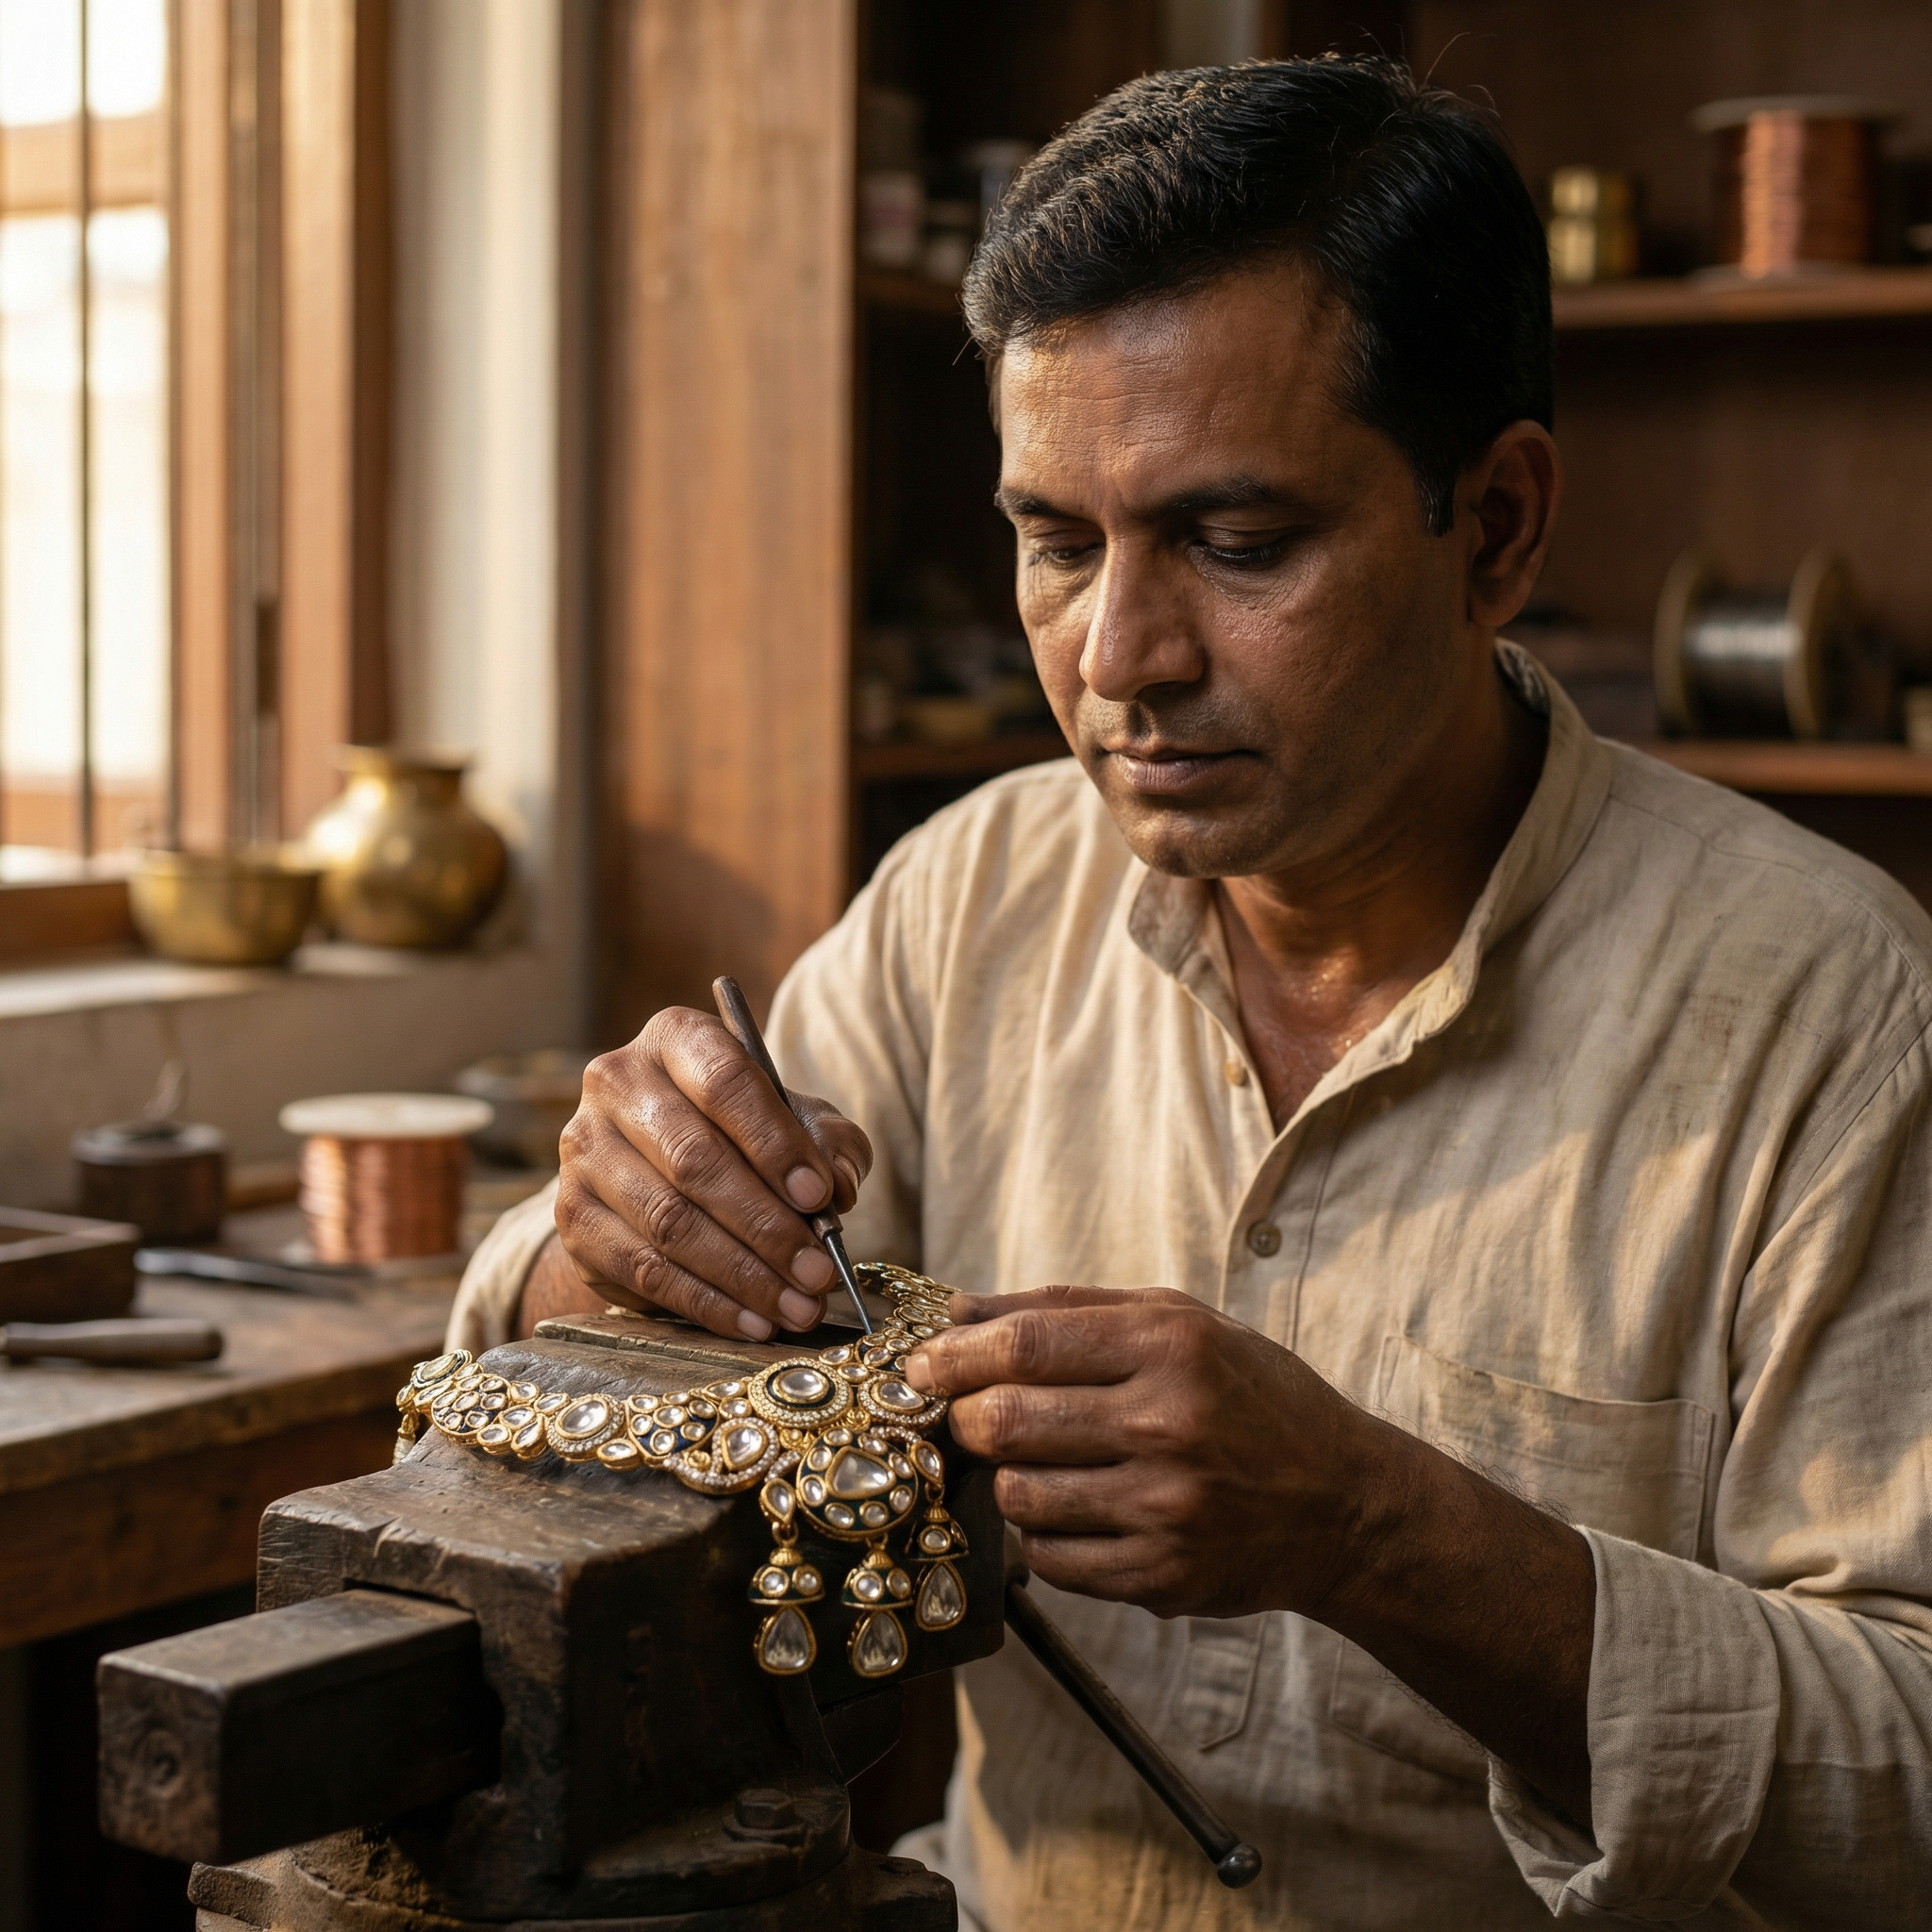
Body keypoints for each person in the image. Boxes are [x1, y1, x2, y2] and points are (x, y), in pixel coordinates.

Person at [450, 57, 1932, 1930]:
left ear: (1496, 530)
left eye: (1237, 543)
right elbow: (516, 1382)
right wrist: (620, 1240)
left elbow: (1912, 1773)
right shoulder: (971, 899)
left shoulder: (1825, 1009)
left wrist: (1368, 1527)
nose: (1118, 659)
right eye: (1056, 543)